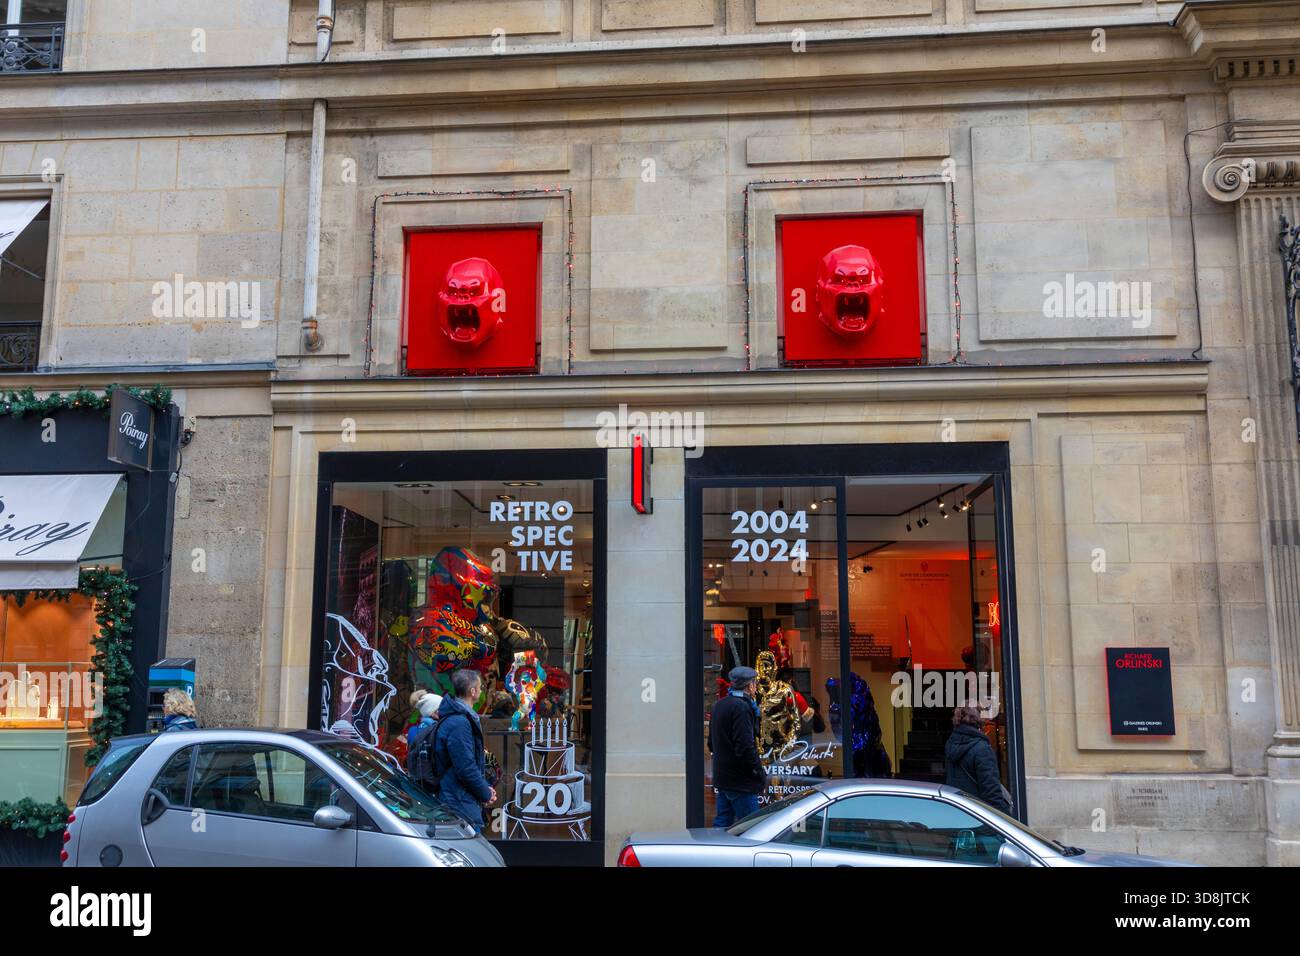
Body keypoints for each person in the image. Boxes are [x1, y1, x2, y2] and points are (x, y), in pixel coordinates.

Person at [433, 668, 497, 831]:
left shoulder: (459, 719)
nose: (482, 691)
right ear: (472, 691)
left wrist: (484, 789)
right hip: (459, 804)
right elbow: (465, 767)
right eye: (480, 687)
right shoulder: (459, 723)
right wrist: (485, 792)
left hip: (459, 799)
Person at [708, 665, 767, 828]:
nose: (756, 687)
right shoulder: (742, 707)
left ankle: (714, 851)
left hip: (723, 777)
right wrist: (758, 772)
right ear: (750, 686)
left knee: (722, 823)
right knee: (752, 827)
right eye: (754, 683)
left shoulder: (719, 705)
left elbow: (711, 744)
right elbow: (746, 747)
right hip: (741, 781)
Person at [944, 704, 1011, 813]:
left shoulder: (950, 744)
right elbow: (991, 791)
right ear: (979, 720)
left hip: (957, 809)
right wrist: (1008, 820)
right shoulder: (982, 749)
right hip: (978, 813)